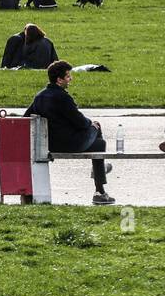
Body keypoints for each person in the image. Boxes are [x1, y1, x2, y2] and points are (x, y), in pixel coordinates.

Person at [26, 60, 115, 205]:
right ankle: (99, 188)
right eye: (68, 76)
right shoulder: (63, 97)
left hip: (50, 145)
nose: (71, 79)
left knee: (99, 144)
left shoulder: (39, 96)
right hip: (72, 144)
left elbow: (26, 118)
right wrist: (90, 123)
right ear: (59, 80)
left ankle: (100, 172)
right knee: (97, 127)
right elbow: (80, 122)